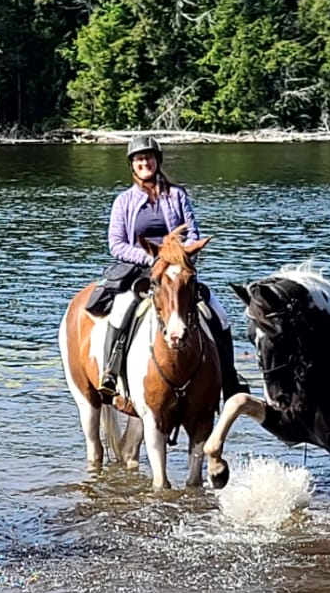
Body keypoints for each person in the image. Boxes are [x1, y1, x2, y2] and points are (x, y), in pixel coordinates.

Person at [94, 135, 248, 401]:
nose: (145, 163)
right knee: (122, 310)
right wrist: (152, 260)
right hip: (141, 269)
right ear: (132, 165)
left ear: (157, 161)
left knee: (218, 314)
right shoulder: (123, 201)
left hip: (177, 269)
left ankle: (230, 378)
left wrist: (179, 258)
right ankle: (110, 373)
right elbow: (116, 245)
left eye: (149, 158)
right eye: (139, 159)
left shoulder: (177, 195)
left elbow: (192, 232)